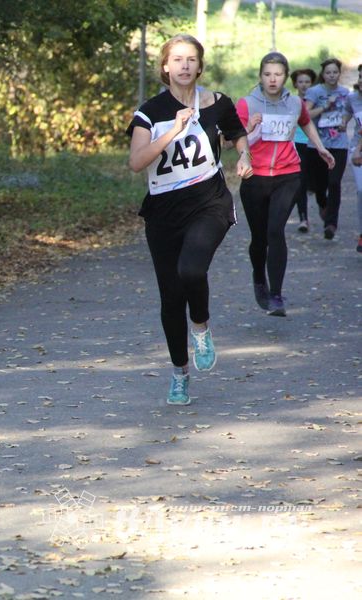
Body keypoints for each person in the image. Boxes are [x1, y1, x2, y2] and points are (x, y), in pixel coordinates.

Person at [127, 34, 252, 406]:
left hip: (208, 202)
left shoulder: (217, 103)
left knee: (192, 271)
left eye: (191, 59)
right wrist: (172, 132)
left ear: (199, 66)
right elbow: (136, 163)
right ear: (165, 66)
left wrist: (243, 157)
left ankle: (201, 326)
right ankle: (179, 372)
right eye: (177, 59)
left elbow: (236, 133)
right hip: (164, 212)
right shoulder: (150, 113)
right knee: (170, 297)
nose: (184, 65)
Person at [237, 53, 335, 317]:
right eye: (267, 74)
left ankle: (277, 296)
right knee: (259, 238)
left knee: (275, 231)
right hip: (254, 178)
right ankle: (260, 277)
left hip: (287, 175)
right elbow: (231, 139)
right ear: (260, 76)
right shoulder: (247, 103)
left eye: (278, 74)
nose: (272, 79)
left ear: (285, 76)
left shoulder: (294, 103)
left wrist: (321, 147)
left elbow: (305, 122)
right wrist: (248, 127)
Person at [304, 58, 350, 240]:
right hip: (317, 145)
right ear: (323, 75)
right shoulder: (314, 92)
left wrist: (345, 122)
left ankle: (331, 223)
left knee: (334, 182)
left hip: (339, 144)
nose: (332, 75)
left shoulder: (345, 93)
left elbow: (350, 112)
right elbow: (305, 114)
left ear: (339, 74)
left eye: (335, 72)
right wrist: (324, 106)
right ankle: (323, 205)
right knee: (319, 186)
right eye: (328, 72)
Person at [289, 68, 317, 232]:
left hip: (316, 144)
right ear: (295, 84)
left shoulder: (318, 100)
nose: (304, 85)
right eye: (301, 82)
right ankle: (303, 218)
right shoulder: (290, 101)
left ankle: (322, 202)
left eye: (307, 82)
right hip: (298, 143)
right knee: (302, 181)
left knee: (318, 182)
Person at [346, 64, 362, 253]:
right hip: (358, 152)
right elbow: (347, 112)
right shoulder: (353, 99)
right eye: (360, 76)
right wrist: (343, 122)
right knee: (361, 191)